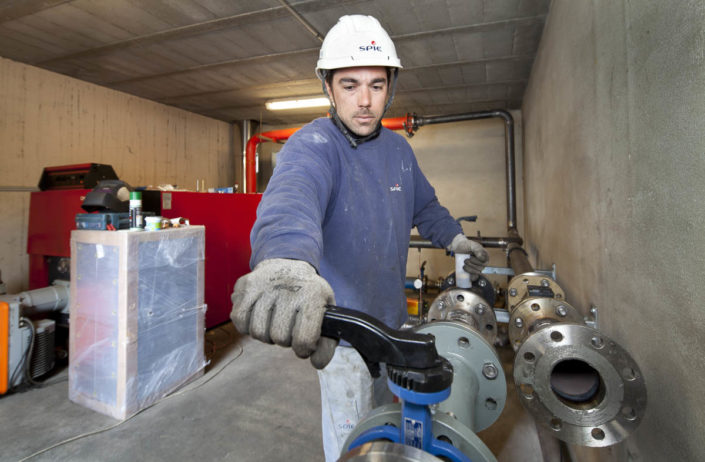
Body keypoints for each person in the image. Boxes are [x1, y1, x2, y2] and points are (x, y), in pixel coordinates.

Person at [231, 15, 488, 462]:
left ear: (392, 86)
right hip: (345, 337)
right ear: (328, 88)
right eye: (350, 85)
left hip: (394, 323)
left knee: (396, 433)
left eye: (376, 85)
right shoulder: (313, 145)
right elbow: (293, 199)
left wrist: (456, 240)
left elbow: (425, 207)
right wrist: (286, 261)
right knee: (353, 446)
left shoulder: (399, 151)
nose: (365, 101)